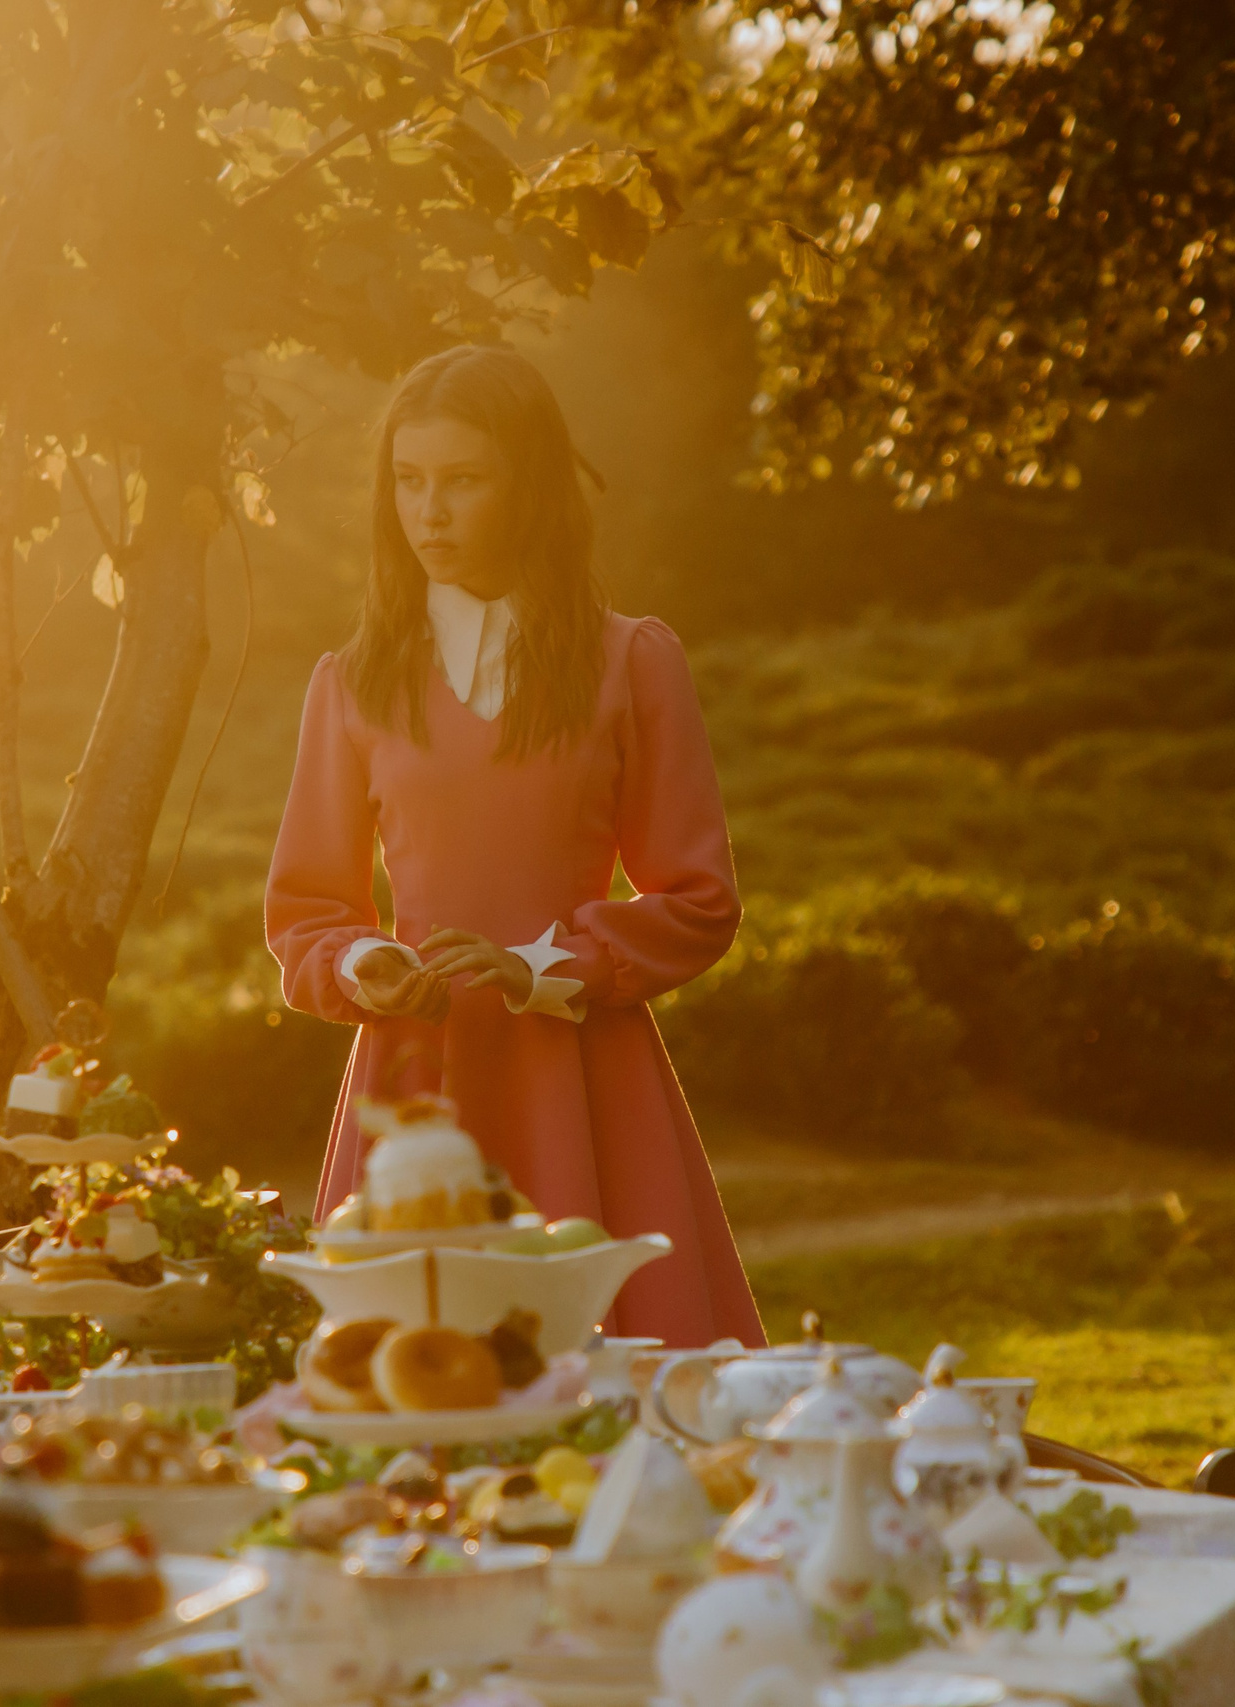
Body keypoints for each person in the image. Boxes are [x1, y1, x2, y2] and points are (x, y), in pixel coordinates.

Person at [264, 345, 762, 1347]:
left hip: (582, 1084)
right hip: (412, 1094)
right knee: (408, 1400)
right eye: (407, 482)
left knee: (624, 1393)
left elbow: (696, 900)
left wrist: (537, 966)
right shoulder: (352, 682)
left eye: (461, 481)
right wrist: (369, 964)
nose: (428, 512)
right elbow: (306, 914)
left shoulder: (631, 662)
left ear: (527, 486)